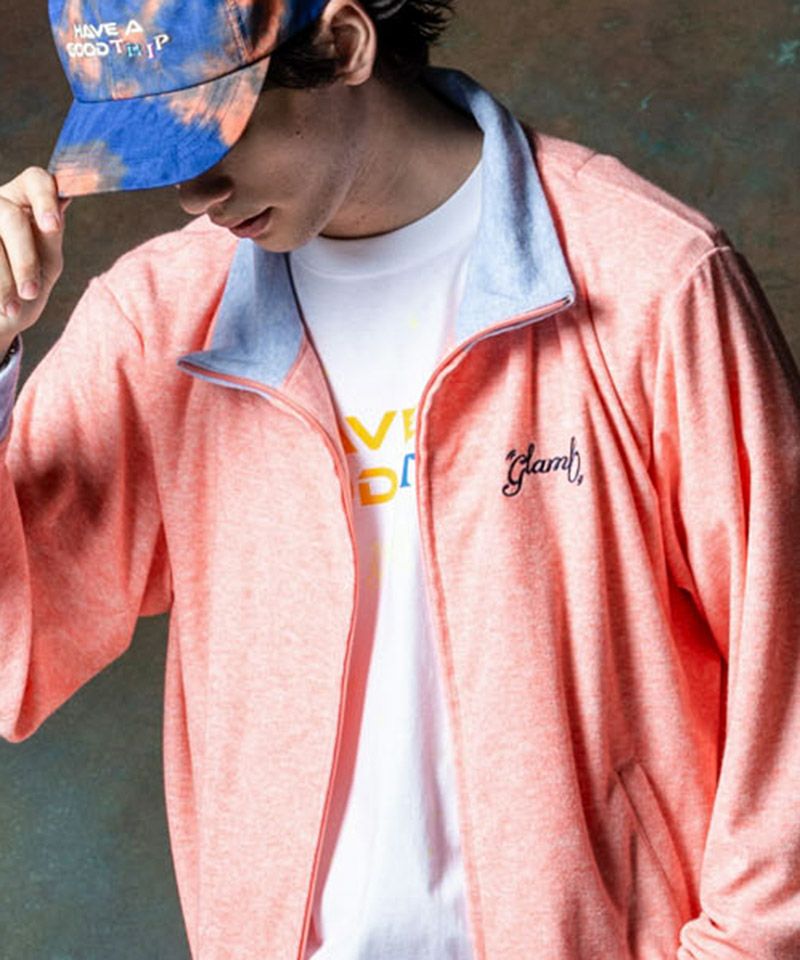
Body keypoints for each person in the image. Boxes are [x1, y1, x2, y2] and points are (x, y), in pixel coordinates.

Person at [1, 0, 798, 957]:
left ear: (342, 45)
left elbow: (785, 678)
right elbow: (14, 658)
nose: (191, 192)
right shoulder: (157, 321)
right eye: (153, 150)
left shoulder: (652, 282)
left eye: (211, 129)